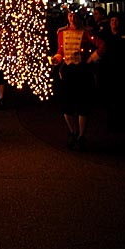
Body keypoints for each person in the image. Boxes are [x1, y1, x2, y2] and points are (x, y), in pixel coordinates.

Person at [50, 8, 105, 151]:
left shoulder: (86, 32)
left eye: (74, 16)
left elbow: (101, 46)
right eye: (70, 15)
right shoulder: (61, 33)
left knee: (83, 104)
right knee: (66, 104)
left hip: (82, 71)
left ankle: (81, 136)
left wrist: (92, 58)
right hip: (68, 72)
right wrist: (57, 58)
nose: (72, 18)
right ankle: (72, 132)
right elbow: (60, 51)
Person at [98, 13, 125, 130]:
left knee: (123, 95)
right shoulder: (104, 35)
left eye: (116, 20)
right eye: (112, 20)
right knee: (110, 95)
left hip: (122, 69)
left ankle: (123, 119)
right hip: (109, 69)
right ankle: (111, 119)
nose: (114, 23)